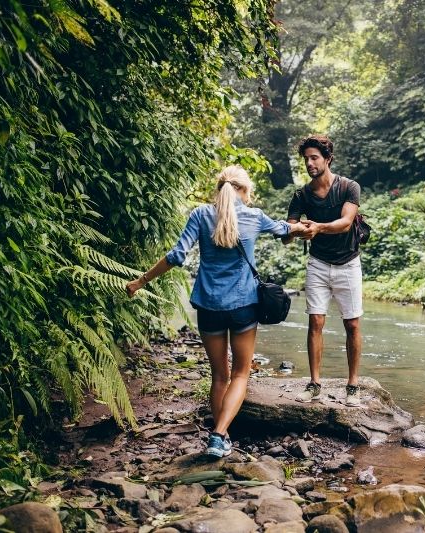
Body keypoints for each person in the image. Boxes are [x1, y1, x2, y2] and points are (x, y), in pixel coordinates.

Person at [126, 165, 306, 457]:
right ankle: (219, 435)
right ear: (244, 190)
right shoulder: (254, 216)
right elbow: (286, 229)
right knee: (240, 374)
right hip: (244, 305)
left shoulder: (200, 215)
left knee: (219, 376)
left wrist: (140, 281)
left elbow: (176, 256)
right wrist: (305, 228)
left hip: (209, 306)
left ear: (220, 188)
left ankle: (221, 438)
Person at [283, 134, 363, 407]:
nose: (309, 163)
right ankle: (314, 383)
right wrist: (295, 229)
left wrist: (317, 226)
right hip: (317, 264)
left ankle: (353, 386)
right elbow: (287, 232)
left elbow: (345, 221)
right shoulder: (301, 194)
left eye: (314, 157)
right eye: (306, 158)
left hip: (349, 262)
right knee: (315, 322)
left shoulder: (349, 187)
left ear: (328, 159)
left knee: (352, 323)